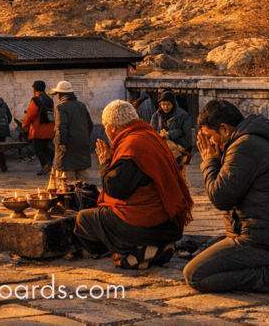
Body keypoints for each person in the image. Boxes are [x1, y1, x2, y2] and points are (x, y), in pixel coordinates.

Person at [184, 100, 269, 294]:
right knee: (203, 252)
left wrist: (209, 162)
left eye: (210, 136)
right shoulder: (250, 140)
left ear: (224, 129)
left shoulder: (244, 146)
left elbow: (220, 197)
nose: (210, 143)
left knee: (195, 274)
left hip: (267, 241)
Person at [74, 100, 193, 269]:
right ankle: (158, 246)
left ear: (112, 127)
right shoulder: (150, 135)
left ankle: (134, 251)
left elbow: (116, 190)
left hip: (147, 224)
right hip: (169, 225)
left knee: (84, 219)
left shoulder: (133, 145)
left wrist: (105, 162)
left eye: (105, 126)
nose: (106, 131)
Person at [48, 80, 93, 191]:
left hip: (67, 148)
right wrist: (84, 138)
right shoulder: (81, 105)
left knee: (67, 182)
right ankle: (82, 202)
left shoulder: (61, 107)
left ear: (60, 94)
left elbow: (61, 127)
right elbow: (89, 125)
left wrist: (61, 142)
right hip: (82, 147)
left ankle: (70, 203)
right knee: (83, 181)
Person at [22, 80, 55, 176]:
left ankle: (46, 165)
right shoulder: (49, 99)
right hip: (49, 128)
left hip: (38, 128)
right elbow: (52, 113)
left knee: (38, 149)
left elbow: (30, 114)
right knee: (46, 149)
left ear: (35, 88)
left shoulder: (35, 99)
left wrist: (24, 124)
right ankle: (46, 169)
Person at [150, 92, 193, 164]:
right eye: (163, 104)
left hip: (177, 154)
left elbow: (188, 138)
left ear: (173, 104)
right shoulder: (156, 116)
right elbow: (151, 132)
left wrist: (170, 136)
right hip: (160, 153)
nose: (165, 107)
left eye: (168, 105)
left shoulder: (182, 115)